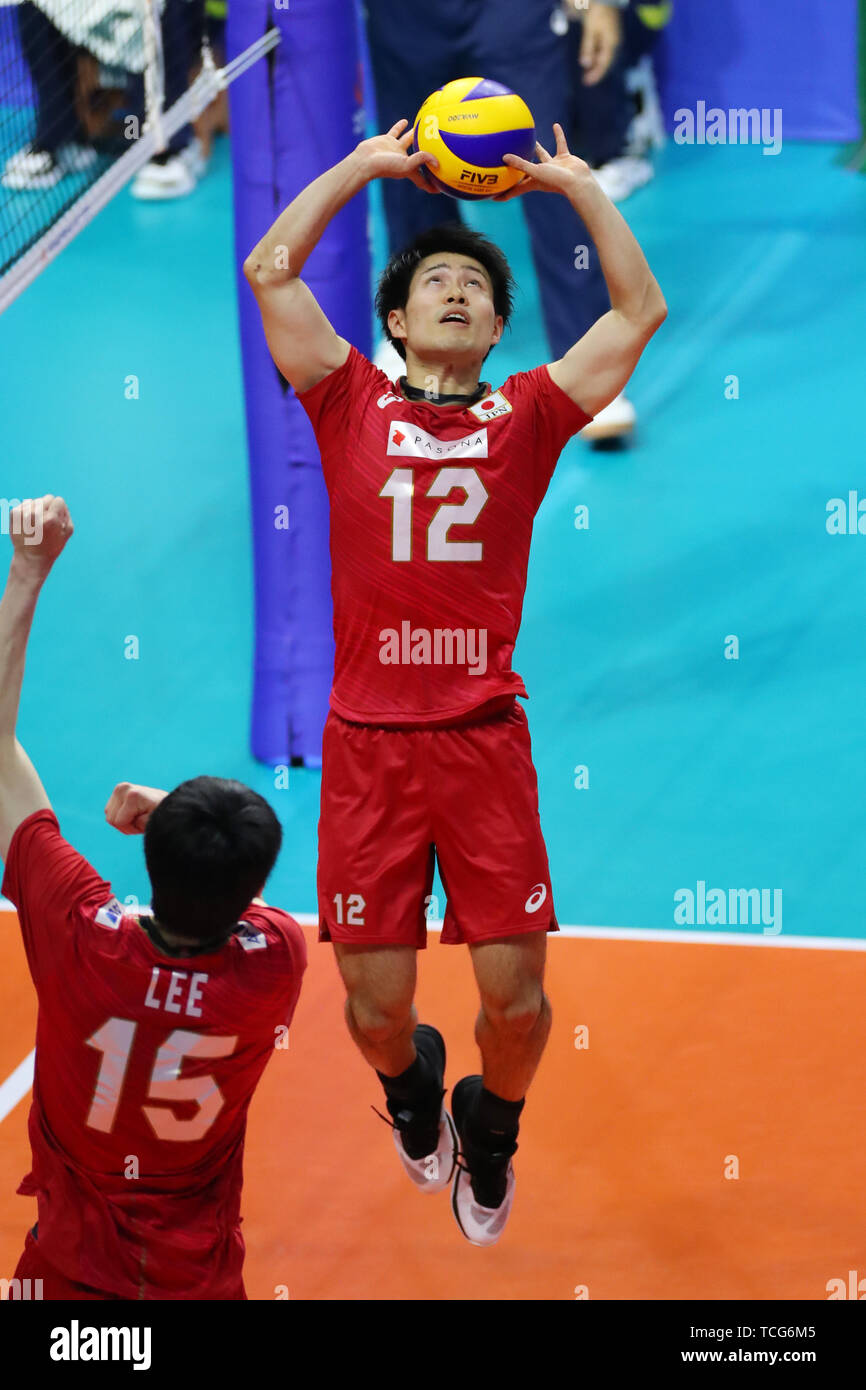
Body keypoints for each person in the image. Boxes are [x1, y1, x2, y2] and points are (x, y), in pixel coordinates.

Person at [242, 119, 665, 1244]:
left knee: (515, 1005)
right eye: (433, 280)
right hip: (368, 749)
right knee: (377, 1015)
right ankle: (412, 1091)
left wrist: (578, 189)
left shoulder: (526, 413)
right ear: (395, 319)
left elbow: (636, 314)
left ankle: (490, 1135)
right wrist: (363, 168)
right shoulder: (346, 404)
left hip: (481, 739)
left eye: (474, 286)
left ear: (491, 326)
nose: (455, 293)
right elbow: (269, 270)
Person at [0, 497, 307, 1300]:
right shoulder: (274, 961)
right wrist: (172, 807)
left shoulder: (80, 933)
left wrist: (28, 571)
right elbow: (246, 878)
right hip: (197, 1280)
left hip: (66, 1272)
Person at [362, 0, 641, 444]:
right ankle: (414, 345)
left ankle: (588, 363)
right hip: (404, 15)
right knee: (410, 166)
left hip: (516, 11)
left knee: (552, 168)